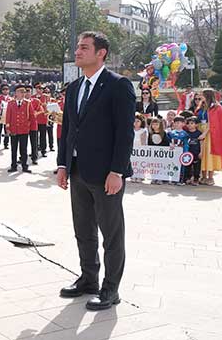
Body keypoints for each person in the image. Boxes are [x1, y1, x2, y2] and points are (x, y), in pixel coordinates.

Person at [56, 31, 135, 311]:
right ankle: (89, 279)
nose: (77, 51)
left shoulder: (118, 85)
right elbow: (68, 130)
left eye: (84, 47)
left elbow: (125, 133)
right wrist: (63, 164)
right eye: (77, 46)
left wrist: (117, 171)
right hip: (78, 171)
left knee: (111, 234)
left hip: (106, 176)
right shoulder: (75, 87)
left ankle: (110, 289)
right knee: (83, 230)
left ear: (101, 53)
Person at [192, 89, 222, 185]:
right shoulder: (201, 106)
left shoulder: (216, 107)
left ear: (207, 95)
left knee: (209, 154)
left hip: (210, 133)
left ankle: (210, 177)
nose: (200, 96)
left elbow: (213, 123)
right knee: (201, 154)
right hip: (200, 129)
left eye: (202, 95)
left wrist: (204, 133)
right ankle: (203, 176)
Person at [6, 85, 34, 173]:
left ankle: (24, 166)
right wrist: (8, 127)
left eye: (24, 92)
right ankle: (13, 166)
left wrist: (29, 126)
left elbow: (32, 116)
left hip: (24, 129)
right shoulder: (11, 103)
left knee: (24, 149)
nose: (22, 94)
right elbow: (8, 116)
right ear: (16, 93)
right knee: (13, 149)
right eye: (20, 92)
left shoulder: (28, 103)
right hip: (14, 129)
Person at [185, 117, 203, 186]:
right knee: (188, 166)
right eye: (188, 124)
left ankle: (196, 179)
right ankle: (188, 178)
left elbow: (201, 143)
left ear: (196, 125)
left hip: (196, 153)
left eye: (192, 123)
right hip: (188, 153)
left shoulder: (199, 133)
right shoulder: (186, 133)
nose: (189, 125)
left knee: (197, 167)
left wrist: (201, 152)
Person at [34, 84, 49, 158]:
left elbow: (48, 107)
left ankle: (43, 150)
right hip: (35, 120)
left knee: (43, 136)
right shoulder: (32, 97)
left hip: (43, 119)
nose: (39, 90)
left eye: (41, 89)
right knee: (34, 136)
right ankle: (35, 151)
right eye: (38, 88)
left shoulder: (46, 97)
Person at [0, 84, 11, 150]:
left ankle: (6, 143)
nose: (5, 91)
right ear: (1, 90)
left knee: (6, 130)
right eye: (4, 89)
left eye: (6, 89)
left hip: (7, 117)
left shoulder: (10, 98)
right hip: (0, 116)